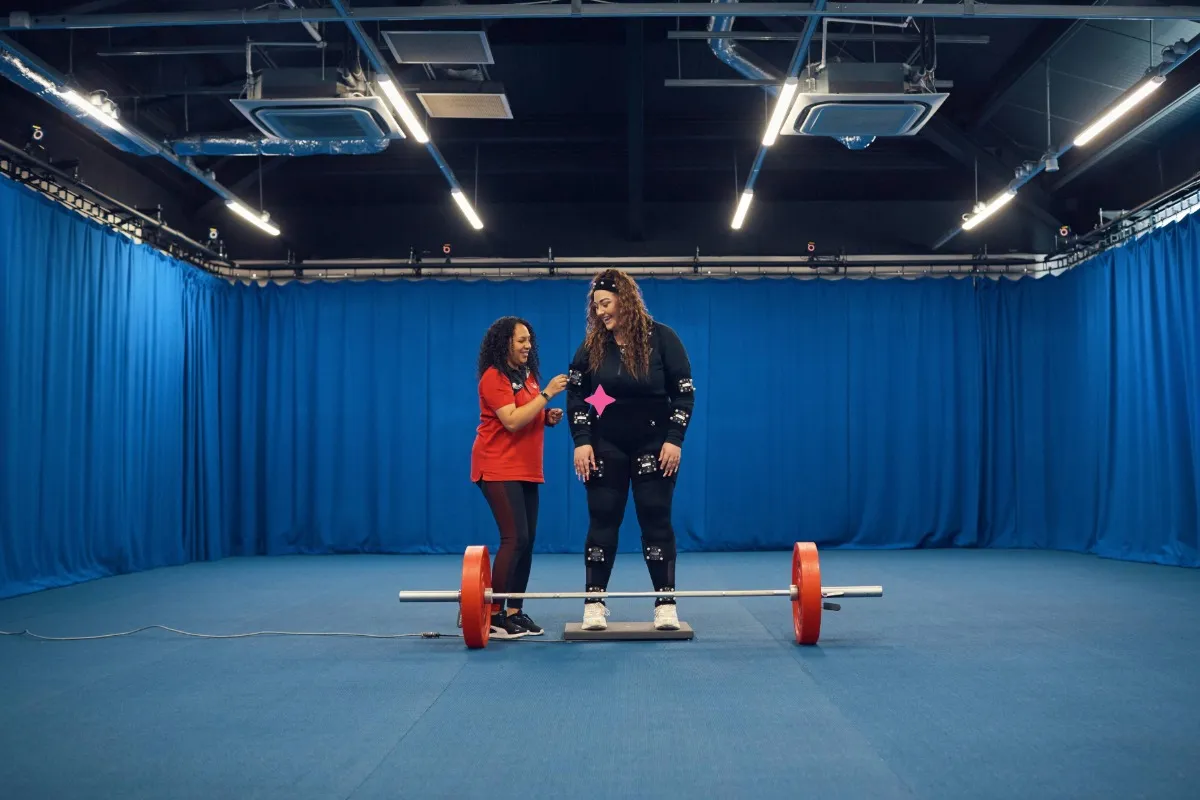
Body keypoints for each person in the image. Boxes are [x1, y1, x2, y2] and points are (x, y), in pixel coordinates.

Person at [566, 269, 695, 631]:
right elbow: (576, 395)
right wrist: (582, 441)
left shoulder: (664, 338)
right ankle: (594, 603)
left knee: (656, 518)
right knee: (603, 519)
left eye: (606, 304)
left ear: (625, 301)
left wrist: (674, 439)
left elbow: (684, 394)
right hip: (605, 445)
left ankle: (665, 603)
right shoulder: (592, 346)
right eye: (596, 307)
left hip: (655, 444)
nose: (600, 312)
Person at [471, 316, 568, 639]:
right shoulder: (493, 377)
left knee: (526, 542)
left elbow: (526, 412)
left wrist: (545, 417)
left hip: (526, 468)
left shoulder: (527, 376)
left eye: (529, 340)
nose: (528, 346)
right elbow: (511, 421)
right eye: (521, 340)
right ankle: (494, 615)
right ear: (505, 344)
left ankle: (514, 611)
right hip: (497, 466)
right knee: (514, 539)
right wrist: (547, 396)